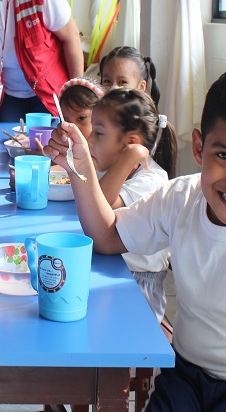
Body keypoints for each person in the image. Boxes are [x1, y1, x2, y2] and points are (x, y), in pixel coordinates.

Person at [47, 51, 226, 411]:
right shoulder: (181, 199)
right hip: (184, 374)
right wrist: (79, 166)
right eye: (224, 155)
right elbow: (106, 237)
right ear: (199, 147)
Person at [78, 88, 176, 320]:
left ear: (130, 143)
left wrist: (130, 156)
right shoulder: (113, 169)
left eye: (99, 133)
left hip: (136, 287)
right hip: (111, 268)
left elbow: (98, 204)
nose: (89, 140)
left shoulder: (151, 180)